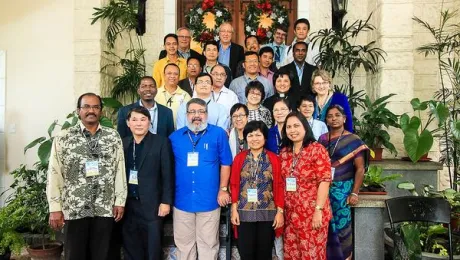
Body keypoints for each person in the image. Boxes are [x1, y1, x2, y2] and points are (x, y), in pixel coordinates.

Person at [47, 93, 127, 260]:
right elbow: (55, 172)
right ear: (78, 111)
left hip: (104, 208)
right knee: (75, 255)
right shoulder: (64, 137)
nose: (91, 110)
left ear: (101, 111)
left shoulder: (112, 137)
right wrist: (55, 207)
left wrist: (120, 200)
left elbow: (120, 170)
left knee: (103, 255)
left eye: (96, 107)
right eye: (86, 107)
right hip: (75, 208)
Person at [169, 98, 233, 260]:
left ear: (207, 114)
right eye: (192, 112)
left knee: (209, 245)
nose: (196, 116)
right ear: (186, 115)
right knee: (184, 246)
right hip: (181, 200)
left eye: (201, 112)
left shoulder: (218, 134)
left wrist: (223, 189)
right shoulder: (174, 137)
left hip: (209, 200)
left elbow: (226, 163)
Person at [121, 107, 174, 260]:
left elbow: (167, 173)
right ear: (128, 123)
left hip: (152, 204)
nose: (139, 123)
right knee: (131, 246)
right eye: (134, 120)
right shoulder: (123, 144)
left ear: (149, 122)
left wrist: (166, 201)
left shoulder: (161, 142)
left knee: (153, 247)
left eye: (143, 119)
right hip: (128, 204)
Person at [317, 105, 368, 260]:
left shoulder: (354, 140)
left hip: (343, 190)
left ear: (344, 118)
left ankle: (345, 256)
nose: (334, 118)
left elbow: (360, 169)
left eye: (337, 115)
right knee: (325, 225)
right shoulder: (322, 139)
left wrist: (354, 192)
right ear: (326, 120)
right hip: (324, 189)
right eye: (330, 116)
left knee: (342, 227)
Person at [279, 111, 332, 260]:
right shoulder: (285, 152)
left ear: (305, 127)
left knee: (312, 255)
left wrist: (318, 211)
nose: (292, 130)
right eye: (288, 127)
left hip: (312, 214)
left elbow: (324, 181)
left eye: (296, 125)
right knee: (292, 254)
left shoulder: (317, 149)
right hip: (291, 216)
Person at [230, 121, 284, 260]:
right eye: (250, 135)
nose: (254, 138)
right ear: (246, 138)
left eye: (258, 135)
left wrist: (280, 212)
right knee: (246, 253)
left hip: (268, 213)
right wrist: (234, 209)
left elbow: (278, 185)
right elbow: (235, 184)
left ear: (265, 138)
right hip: (244, 212)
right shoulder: (239, 158)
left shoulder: (273, 158)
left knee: (264, 253)